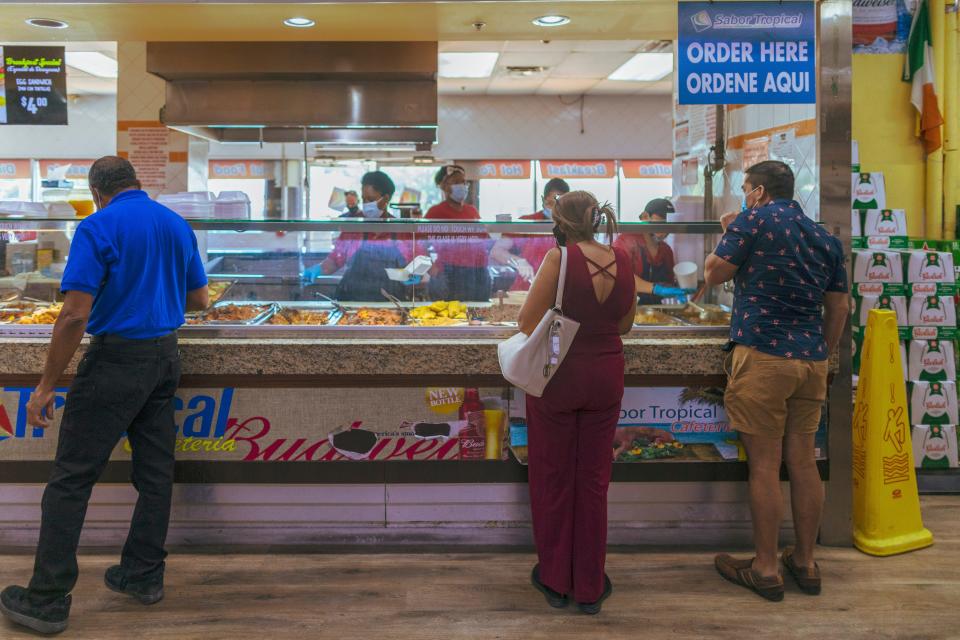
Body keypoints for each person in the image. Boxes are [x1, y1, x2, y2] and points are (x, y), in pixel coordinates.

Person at [0, 156, 209, 635]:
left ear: (97, 192)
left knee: (71, 479)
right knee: (155, 474)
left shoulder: (96, 227)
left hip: (115, 361)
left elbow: (74, 314)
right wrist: (151, 292)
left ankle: (47, 599)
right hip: (164, 359)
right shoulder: (176, 223)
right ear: (137, 183)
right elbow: (199, 299)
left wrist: (45, 386)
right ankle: (143, 576)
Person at [704, 161, 849, 602]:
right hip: (810, 360)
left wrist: (729, 230)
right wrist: (818, 350)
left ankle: (766, 568)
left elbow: (713, 272)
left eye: (747, 189)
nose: (745, 195)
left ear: (761, 191)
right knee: (803, 463)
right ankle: (805, 561)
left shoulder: (752, 220)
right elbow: (839, 307)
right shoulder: (824, 236)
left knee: (765, 466)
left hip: (764, 355)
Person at [518, 191, 637, 615]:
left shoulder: (559, 258)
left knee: (553, 477)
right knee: (593, 480)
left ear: (561, 221)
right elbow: (625, 323)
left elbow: (527, 322)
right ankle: (589, 584)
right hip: (606, 376)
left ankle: (555, 580)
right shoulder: (623, 256)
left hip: (560, 376)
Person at [303, 171, 415, 301]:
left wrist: (412, 275)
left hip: (390, 303)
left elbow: (412, 267)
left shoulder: (400, 230)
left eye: (371, 199)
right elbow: (335, 260)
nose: (366, 204)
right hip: (352, 300)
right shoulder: (354, 226)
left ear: (386, 198)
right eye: (364, 199)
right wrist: (317, 269)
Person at [424, 165, 492, 301]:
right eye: (455, 182)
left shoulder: (471, 211)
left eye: (463, 182)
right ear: (443, 186)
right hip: (450, 273)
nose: (462, 186)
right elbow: (416, 242)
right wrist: (430, 268)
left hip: (478, 271)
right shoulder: (435, 212)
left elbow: (486, 240)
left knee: (478, 316)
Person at [490, 178, 570, 291]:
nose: (555, 209)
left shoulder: (570, 227)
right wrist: (518, 261)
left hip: (559, 290)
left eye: (560, 205)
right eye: (551, 203)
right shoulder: (527, 222)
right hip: (525, 287)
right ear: (544, 200)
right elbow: (497, 251)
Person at [613, 198, 690, 304]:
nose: (664, 230)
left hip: (657, 313)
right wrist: (655, 289)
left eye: (668, 225)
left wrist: (680, 289)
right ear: (644, 217)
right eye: (660, 223)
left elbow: (668, 282)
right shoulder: (625, 241)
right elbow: (620, 275)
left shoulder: (666, 251)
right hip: (628, 310)